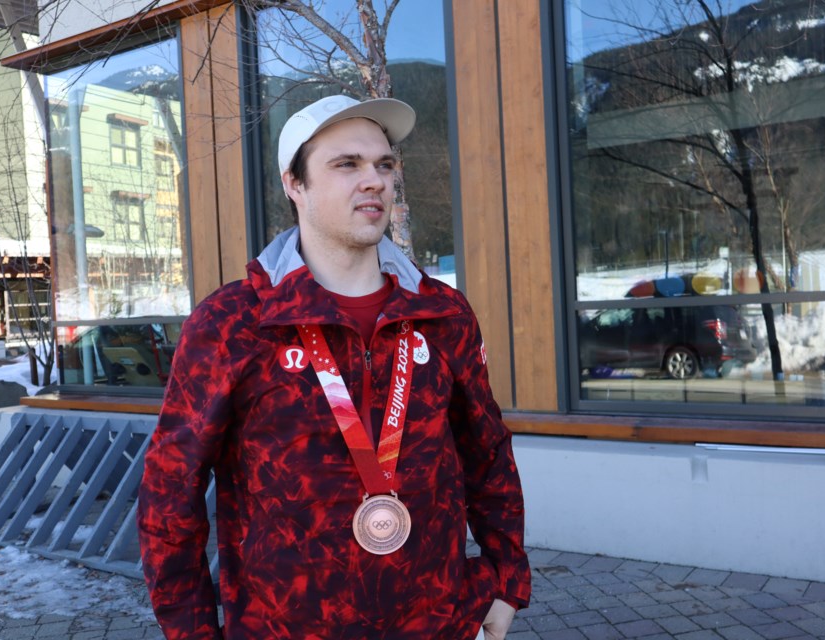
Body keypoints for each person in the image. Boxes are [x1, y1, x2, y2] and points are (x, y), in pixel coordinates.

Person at [137, 94, 531, 639]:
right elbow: (170, 492)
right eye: (346, 164)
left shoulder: (441, 313)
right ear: (294, 184)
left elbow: (487, 453)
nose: (374, 180)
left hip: (440, 622)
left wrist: (507, 580)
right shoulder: (234, 322)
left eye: (384, 164)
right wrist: (194, 631)